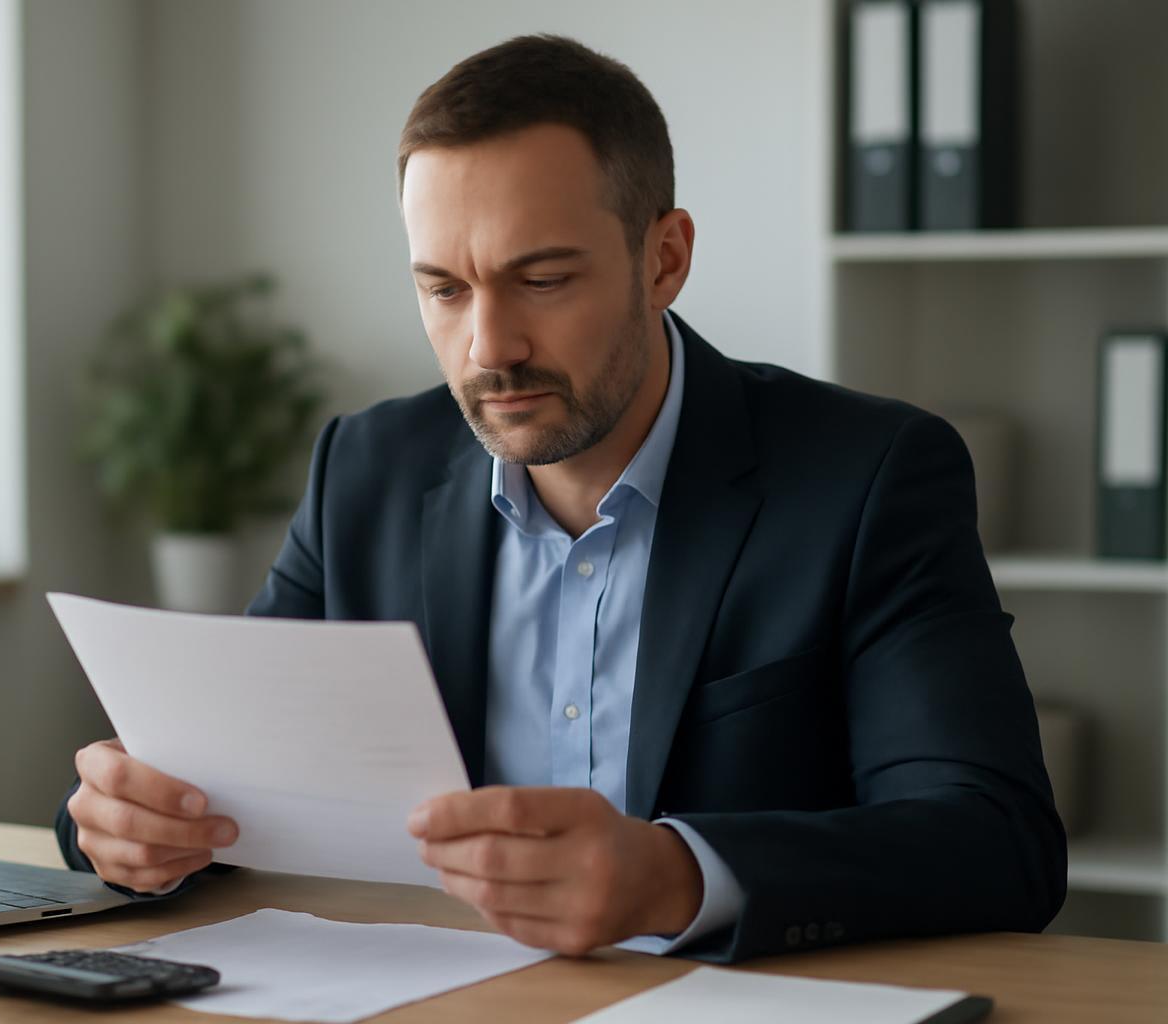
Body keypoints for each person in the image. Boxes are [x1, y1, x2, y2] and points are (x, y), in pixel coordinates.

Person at [55, 34, 1065, 962]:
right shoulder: (364, 469)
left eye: (540, 280)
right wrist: (124, 824)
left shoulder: (868, 473)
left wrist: (673, 875)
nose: (489, 347)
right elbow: (222, 775)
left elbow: (995, 839)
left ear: (663, 258)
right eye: (445, 289)